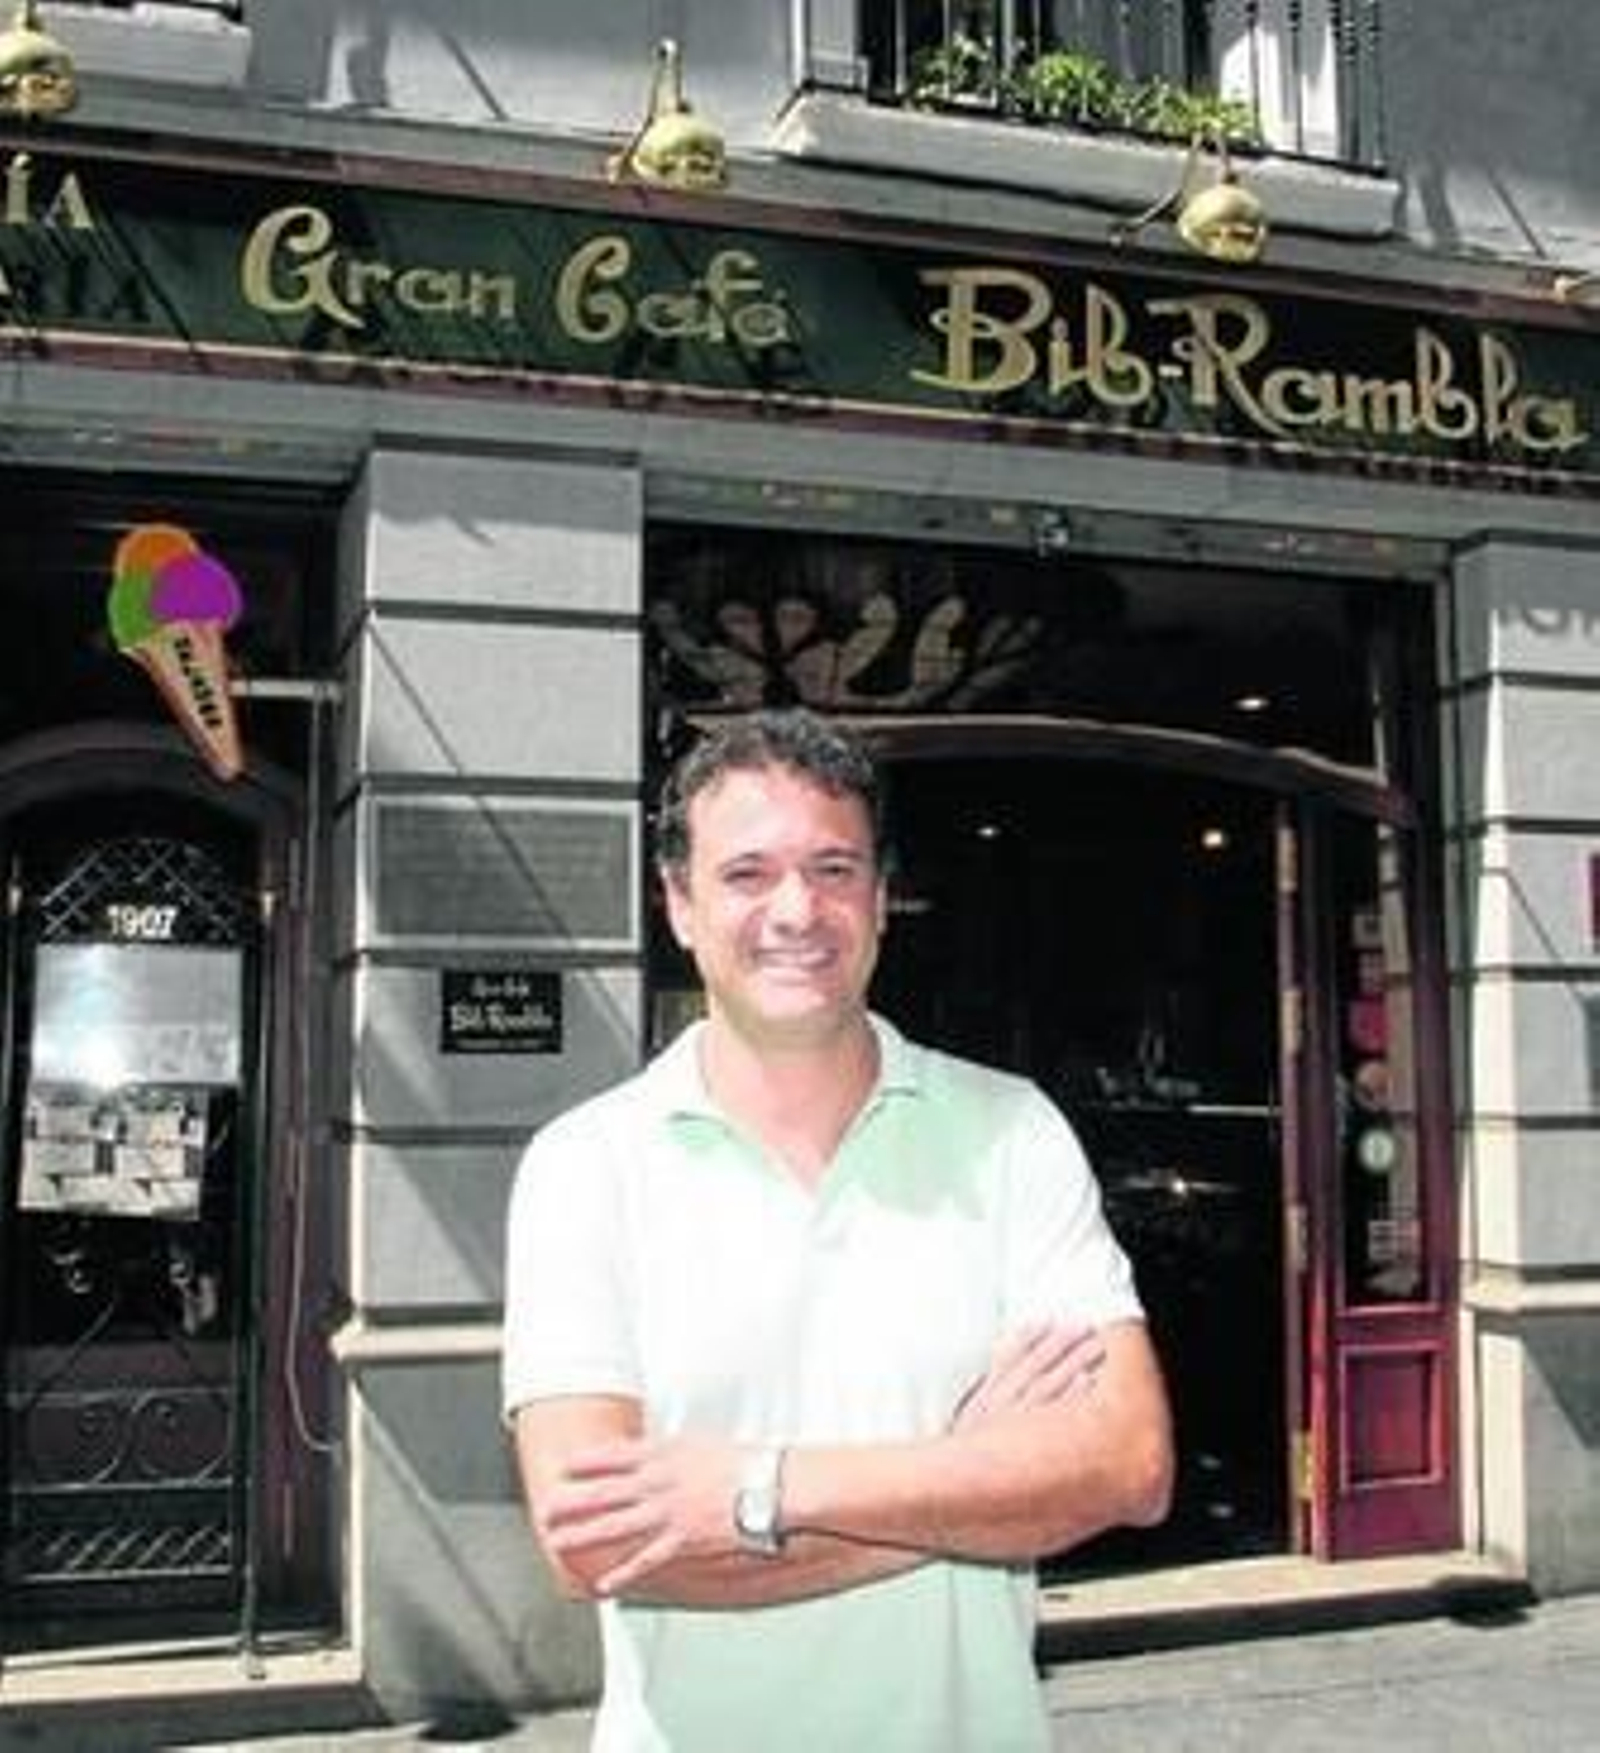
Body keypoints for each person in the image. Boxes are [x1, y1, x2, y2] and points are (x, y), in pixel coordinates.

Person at [502, 707, 1173, 1753]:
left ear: (880, 897)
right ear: (677, 903)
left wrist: (754, 1491)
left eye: (832, 867)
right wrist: (970, 1478)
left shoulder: (1012, 1129)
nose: (795, 909)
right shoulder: (585, 1165)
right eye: (746, 873)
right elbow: (594, 1542)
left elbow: (1128, 1462)